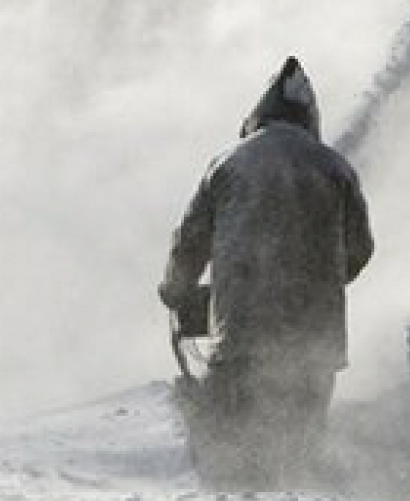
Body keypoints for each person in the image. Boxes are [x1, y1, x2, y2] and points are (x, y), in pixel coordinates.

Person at [159, 56, 374, 489]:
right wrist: (320, 281)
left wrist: (176, 292)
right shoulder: (335, 167)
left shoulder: (226, 163)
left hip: (240, 334)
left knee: (234, 449)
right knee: (300, 451)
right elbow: (360, 249)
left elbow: (190, 243)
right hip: (316, 341)